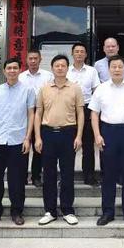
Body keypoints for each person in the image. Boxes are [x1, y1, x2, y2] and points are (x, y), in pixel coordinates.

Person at [90, 55, 124, 226]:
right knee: (108, 175)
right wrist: (97, 135)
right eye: (113, 67)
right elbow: (94, 114)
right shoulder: (101, 89)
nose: (116, 69)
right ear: (108, 69)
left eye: (120, 66)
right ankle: (108, 212)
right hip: (108, 132)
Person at [0, 57, 35, 227]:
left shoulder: (28, 90)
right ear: (4, 71)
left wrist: (27, 138)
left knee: (17, 179)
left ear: (20, 70)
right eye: (9, 68)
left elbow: (31, 115)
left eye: (15, 68)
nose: (12, 71)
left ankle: (17, 211)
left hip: (18, 141)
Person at [34, 54, 85, 226]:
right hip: (48, 133)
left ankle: (67, 210)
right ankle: (50, 211)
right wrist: (38, 137)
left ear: (67, 68)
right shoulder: (44, 88)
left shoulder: (75, 88)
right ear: (52, 68)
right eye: (57, 65)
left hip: (68, 133)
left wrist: (79, 136)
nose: (60, 68)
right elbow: (38, 114)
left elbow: (80, 113)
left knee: (67, 173)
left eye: (63, 65)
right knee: (48, 174)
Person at [67, 43, 101, 186]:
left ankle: (89, 176)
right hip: (69, 110)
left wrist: (94, 110)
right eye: (77, 51)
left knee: (88, 145)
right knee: (69, 146)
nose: (79, 54)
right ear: (72, 54)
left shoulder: (92, 71)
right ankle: (66, 177)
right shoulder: (66, 70)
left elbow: (96, 91)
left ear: (86, 54)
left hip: (87, 108)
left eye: (82, 51)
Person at [19, 49, 53, 187]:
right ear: (26, 60)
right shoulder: (21, 77)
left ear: (40, 60)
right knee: (23, 146)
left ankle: (36, 176)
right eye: (30, 58)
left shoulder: (48, 76)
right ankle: (21, 176)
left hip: (42, 113)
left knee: (39, 147)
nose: (33, 61)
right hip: (25, 114)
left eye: (35, 58)